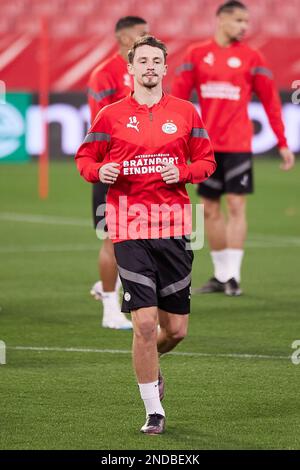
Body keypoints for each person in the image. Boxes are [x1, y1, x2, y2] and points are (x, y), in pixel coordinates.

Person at [75, 36, 216, 434]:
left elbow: (206, 160)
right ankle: (154, 410)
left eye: (157, 61)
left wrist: (185, 173)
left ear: (165, 69)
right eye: (143, 61)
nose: (150, 66)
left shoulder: (186, 113)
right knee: (145, 325)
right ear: (131, 69)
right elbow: (85, 158)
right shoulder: (110, 115)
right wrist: (97, 172)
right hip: (129, 227)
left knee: (176, 331)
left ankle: (151, 365)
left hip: (174, 228)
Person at [172, 0, 295, 296]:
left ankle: (234, 277)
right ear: (221, 20)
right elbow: (178, 100)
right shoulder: (196, 54)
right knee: (210, 208)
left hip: (239, 145)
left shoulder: (253, 57)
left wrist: (282, 142)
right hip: (205, 146)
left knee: (237, 206)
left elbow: (270, 102)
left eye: (246, 22)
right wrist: (174, 139)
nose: (244, 26)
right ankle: (221, 274)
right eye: (239, 20)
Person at [88, 16, 149, 329]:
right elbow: (98, 124)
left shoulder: (144, 72)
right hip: (114, 170)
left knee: (140, 239)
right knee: (113, 239)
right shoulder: (106, 74)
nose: (148, 37)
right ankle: (110, 311)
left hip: (143, 172)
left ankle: (111, 290)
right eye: (142, 33)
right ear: (125, 38)